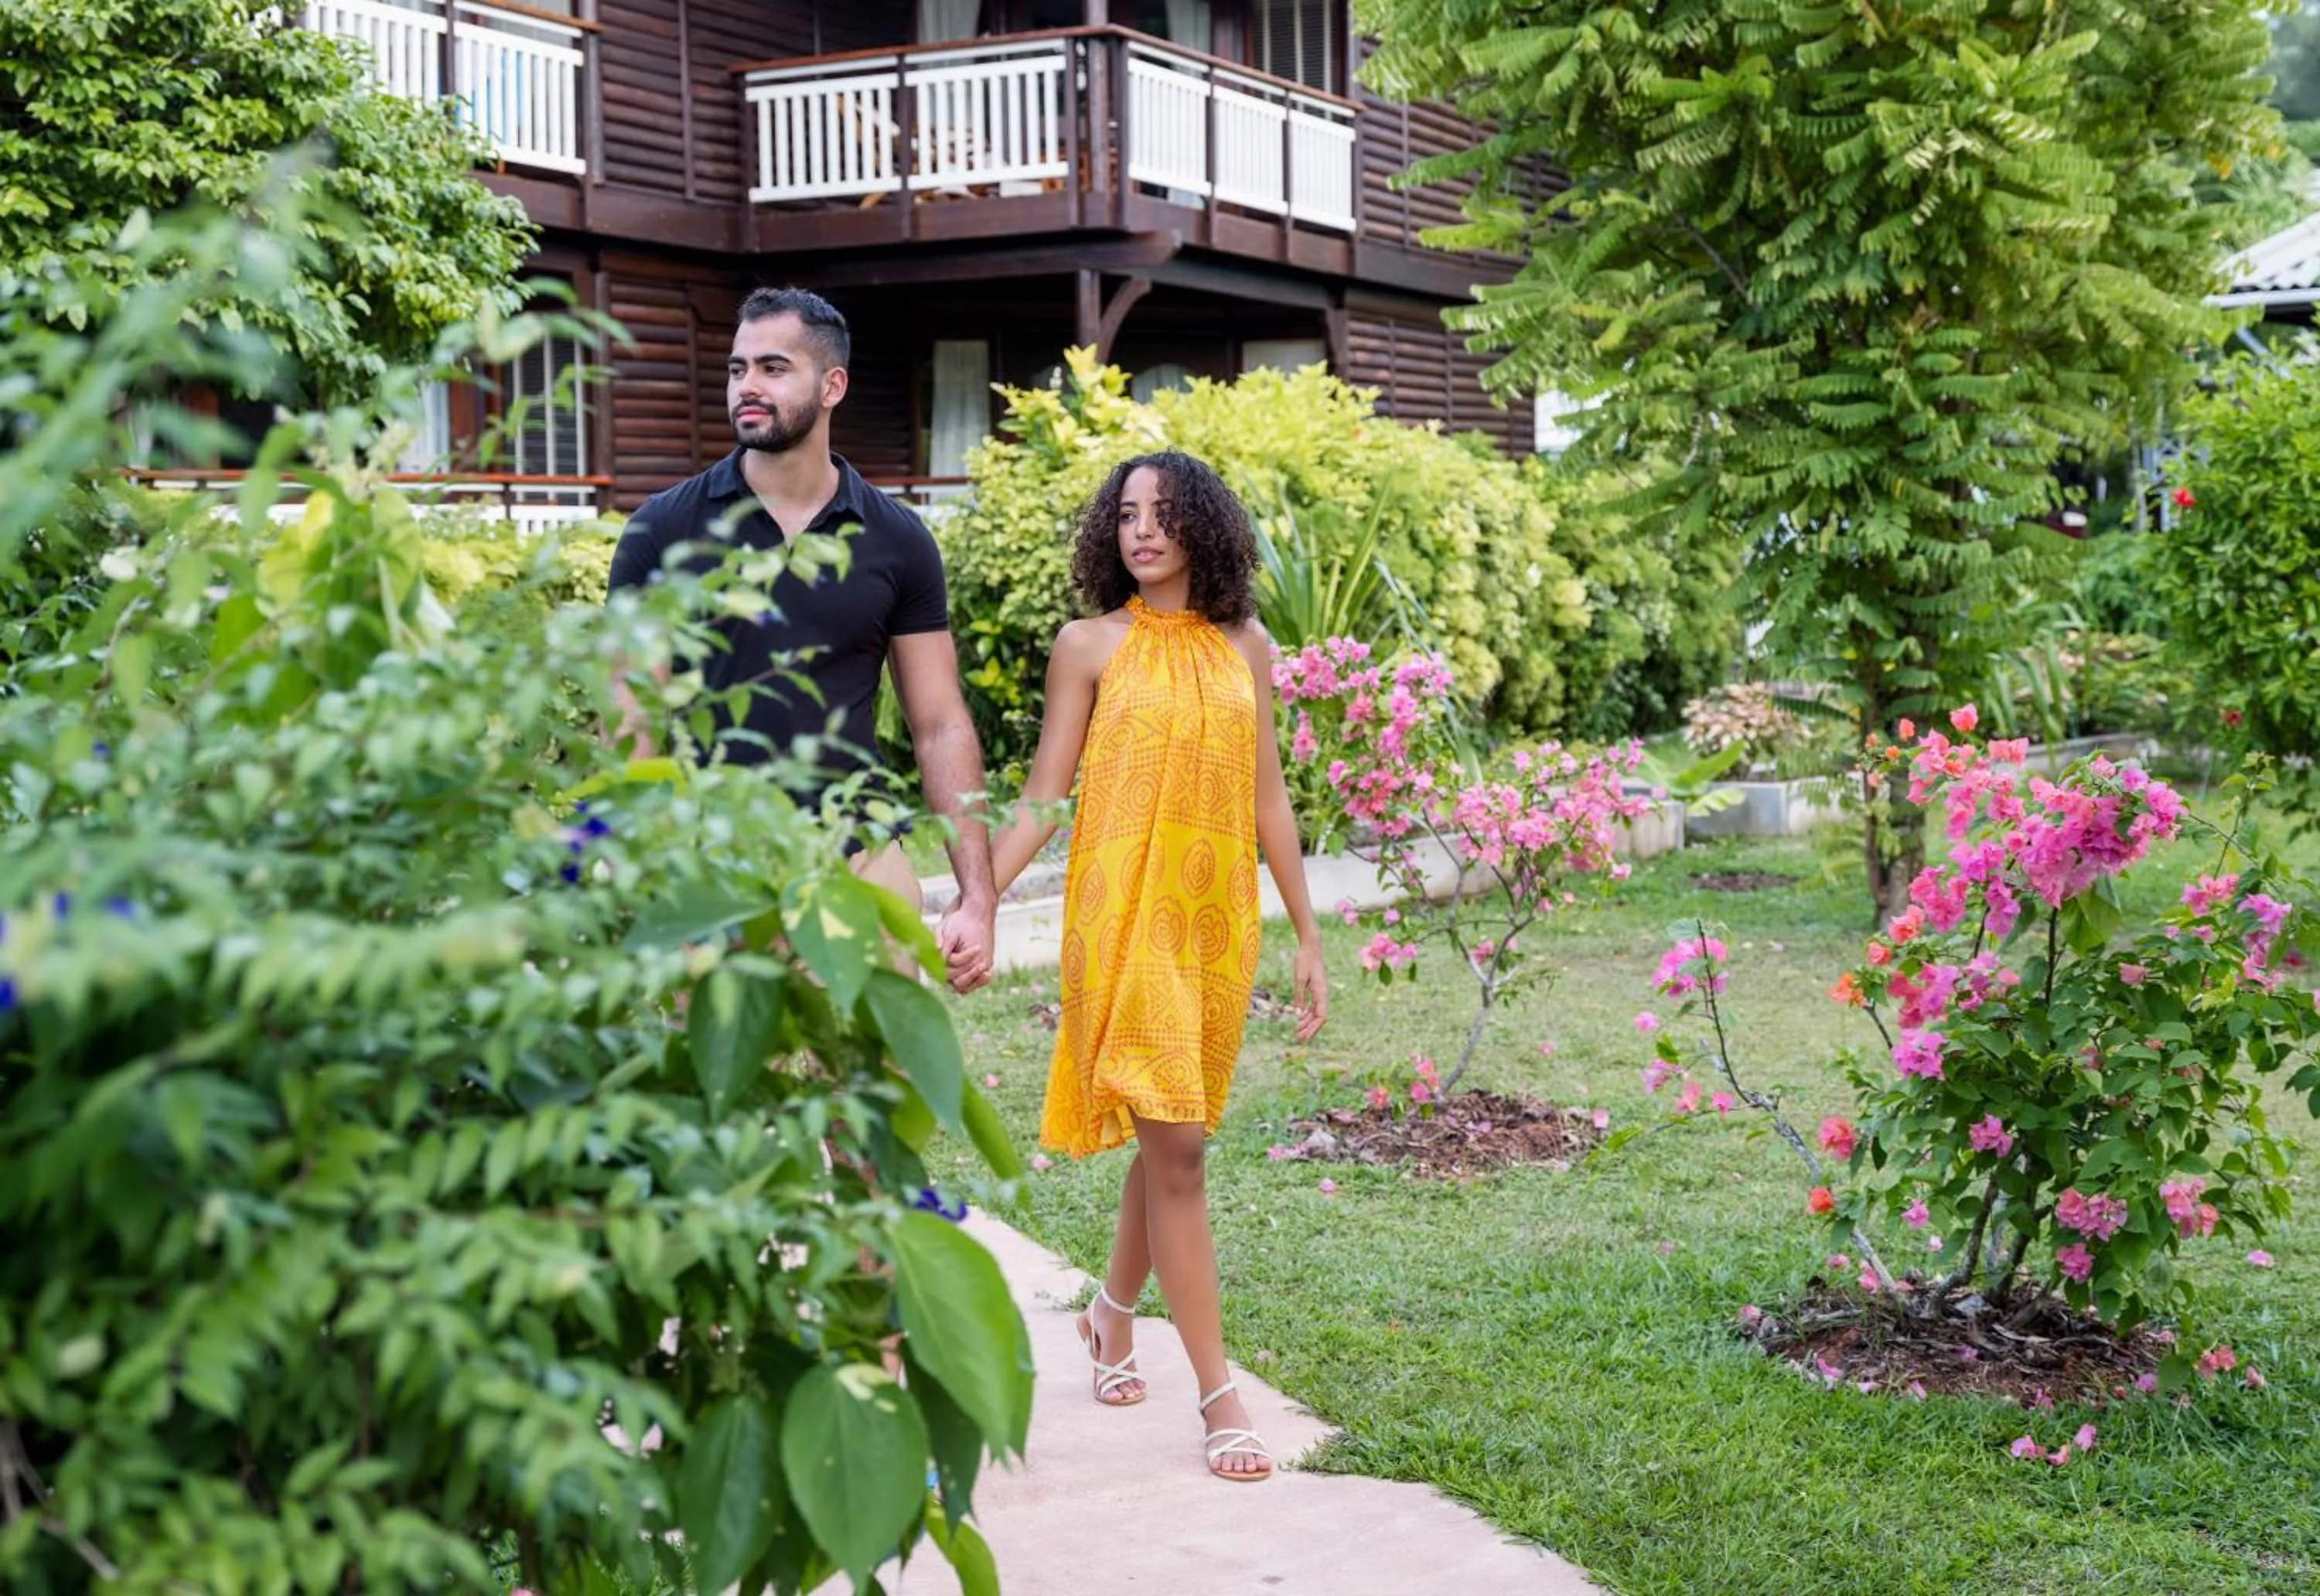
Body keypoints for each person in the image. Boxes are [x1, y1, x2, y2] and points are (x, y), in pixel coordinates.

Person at [985, 450, 1328, 1482]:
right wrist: (976, 900)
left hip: (1212, 922)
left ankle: (1108, 1314)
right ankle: (1219, 1397)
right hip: (1121, 919)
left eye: (1162, 513)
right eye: (1125, 514)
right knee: (1178, 1149)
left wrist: (1310, 936)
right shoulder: (1088, 646)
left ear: (1202, 528)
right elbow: (1047, 799)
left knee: (1171, 1131)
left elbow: (1268, 796)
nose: (1141, 531)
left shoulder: (1247, 647)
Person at [605, 287, 996, 987]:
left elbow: (939, 725)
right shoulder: (661, 532)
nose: (746, 387)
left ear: (832, 385)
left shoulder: (898, 541)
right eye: (736, 368)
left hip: (860, 866)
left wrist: (978, 896)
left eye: (773, 368)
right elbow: (632, 719)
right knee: (727, 1095)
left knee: (875, 1093)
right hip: (713, 874)